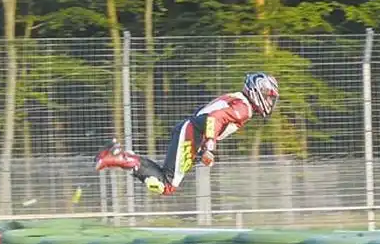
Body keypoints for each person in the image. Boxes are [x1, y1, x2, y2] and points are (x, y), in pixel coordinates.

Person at [94, 72, 279, 195]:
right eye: (269, 97)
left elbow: (210, 116)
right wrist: (209, 148)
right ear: (258, 90)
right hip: (192, 133)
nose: (270, 102)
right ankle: (116, 157)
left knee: (166, 182)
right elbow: (214, 118)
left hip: (192, 133)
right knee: (166, 185)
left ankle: (118, 156)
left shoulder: (238, 100)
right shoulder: (244, 108)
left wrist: (202, 147)